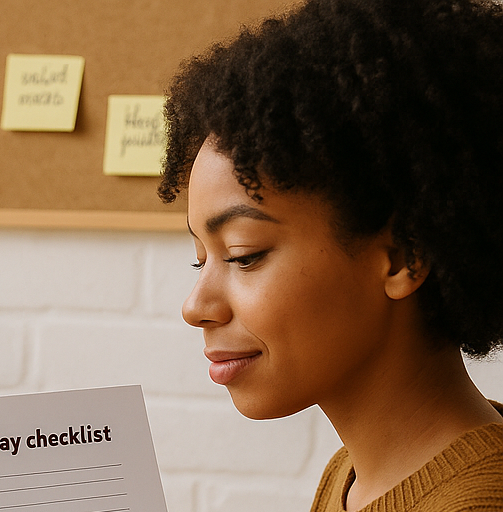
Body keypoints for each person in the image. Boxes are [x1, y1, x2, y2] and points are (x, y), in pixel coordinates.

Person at [156, 0, 503, 510]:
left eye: (243, 255)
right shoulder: (353, 475)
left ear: (403, 257)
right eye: (199, 258)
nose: (195, 306)